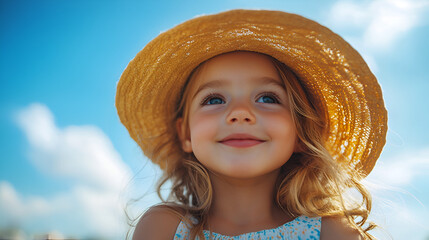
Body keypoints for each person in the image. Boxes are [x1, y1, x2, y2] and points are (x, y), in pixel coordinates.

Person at [116, 9, 387, 240]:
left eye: (268, 97)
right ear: (185, 133)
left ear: (301, 133)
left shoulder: (333, 232)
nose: (240, 113)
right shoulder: (164, 227)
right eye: (214, 99)